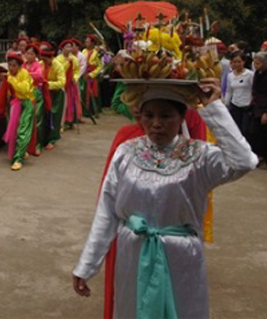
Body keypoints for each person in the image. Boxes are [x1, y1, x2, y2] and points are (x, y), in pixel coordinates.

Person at [72, 78, 257, 318]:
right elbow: (107, 211)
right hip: (133, 253)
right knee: (132, 309)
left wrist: (213, 108)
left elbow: (244, 161)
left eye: (166, 115)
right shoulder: (127, 152)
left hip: (179, 257)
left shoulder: (199, 156)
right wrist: (87, 265)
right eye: (148, 115)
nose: (156, 124)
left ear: (182, 117)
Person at [0, 51, 36, 171]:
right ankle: (21, 152)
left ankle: (18, 159)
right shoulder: (9, 75)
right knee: (14, 131)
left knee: (22, 131)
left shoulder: (24, 74)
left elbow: (24, 89)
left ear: (19, 66)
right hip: (16, 103)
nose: (11, 68)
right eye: (10, 65)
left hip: (27, 103)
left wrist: (11, 80)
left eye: (14, 65)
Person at [39, 42, 66, 151]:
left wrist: (47, 84)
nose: (44, 62)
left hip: (56, 94)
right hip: (43, 93)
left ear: (51, 57)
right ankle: (43, 138)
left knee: (54, 116)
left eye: (46, 60)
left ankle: (52, 139)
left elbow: (62, 82)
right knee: (42, 115)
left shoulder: (58, 65)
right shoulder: (40, 64)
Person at [224, 50, 254, 141]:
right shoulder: (230, 76)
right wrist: (226, 104)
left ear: (243, 62)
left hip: (247, 106)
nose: (237, 64)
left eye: (239, 62)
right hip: (235, 105)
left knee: (245, 130)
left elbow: (254, 90)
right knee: (236, 129)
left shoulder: (249, 75)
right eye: (234, 62)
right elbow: (229, 91)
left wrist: (252, 104)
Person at [55, 39, 82, 130]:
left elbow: (77, 70)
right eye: (67, 47)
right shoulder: (58, 59)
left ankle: (71, 121)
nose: (69, 49)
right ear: (62, 48)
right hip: (62, 83)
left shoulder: (74, 59)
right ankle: (61, 123)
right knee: (63, 103)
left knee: (72, 102)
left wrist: (75, 77)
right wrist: (67, 62)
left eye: (70, 47)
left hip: (71, 83)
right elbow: (60, 70)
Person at [81, 35, 103, 117]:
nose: (86, 43)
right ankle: (84, 111)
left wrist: (92, 74)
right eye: (85, 41)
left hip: (92, 75)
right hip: (84, 74)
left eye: (88, 42)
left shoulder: (96, 53)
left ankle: (94, 111)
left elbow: (100, 66)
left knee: (93, 93)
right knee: (83, 91)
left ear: (92, 43)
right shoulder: (83, 51)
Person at [251, 52, 267, 165]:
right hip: (257, 106)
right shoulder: (257, 73)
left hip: (264, 107)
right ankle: (259, 155)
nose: (256, 65)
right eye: (255, 63)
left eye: (258, 63)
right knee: (255, 132)